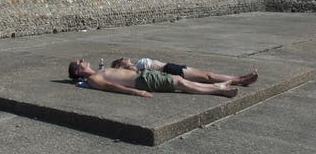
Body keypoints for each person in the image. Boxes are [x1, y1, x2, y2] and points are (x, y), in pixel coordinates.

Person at [68, 59, 243, 98]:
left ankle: (220, 86)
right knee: (180, 83)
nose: (83, 60)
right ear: (77, 72)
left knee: (179, 80)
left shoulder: (101, 69)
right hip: (141, 81)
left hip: (143, 75)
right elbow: (111, 87)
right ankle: (220, 91)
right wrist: (136, 92)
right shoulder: (93, 80)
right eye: (79, 63)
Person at [110, 57, 258, 86]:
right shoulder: (132, 68)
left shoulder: (135, 65)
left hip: (171, 67)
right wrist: (123, 68)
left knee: (207, 76)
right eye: (123, 59)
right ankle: (240, 80)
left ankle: (240, 78)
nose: (126, 58)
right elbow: (133, 72)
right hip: (169, 70)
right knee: (208, 76)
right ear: (119, 65)